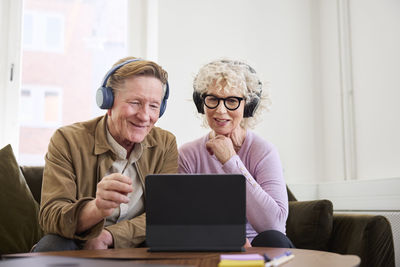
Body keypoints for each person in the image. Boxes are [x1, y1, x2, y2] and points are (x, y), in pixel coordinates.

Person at [34, 57, 178, 251]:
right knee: (52, 245)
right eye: (135, 102)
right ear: (107, 101)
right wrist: (97, 208)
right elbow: (51, 217)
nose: (145, 116)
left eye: (154, 106)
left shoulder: (165, 144)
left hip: (135, 241)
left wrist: (110, 236)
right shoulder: (67, 140)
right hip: (78, 241)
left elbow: (164, 213)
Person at [178, 59, 293, 248]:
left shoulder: (264, 152)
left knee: (272, 238)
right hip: (212, 245)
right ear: (202, 103)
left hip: (262, 248)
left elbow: (275, 225)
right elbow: (182, 219)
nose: (220, 110)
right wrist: (229, 237)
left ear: (247, 106)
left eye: (232, 100)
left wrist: (231, 161)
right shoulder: (188, 154)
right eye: (213, 99)